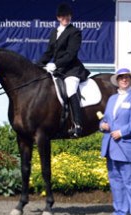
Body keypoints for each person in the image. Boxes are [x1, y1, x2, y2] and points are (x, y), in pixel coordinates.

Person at [100, 68, 131, 215]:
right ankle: (120, 211)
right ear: (117, 81)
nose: (124, 80)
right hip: (111, 147)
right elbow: (105, 119)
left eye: (126, 77)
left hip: (129, 146)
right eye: (121, 78)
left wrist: (122, 132)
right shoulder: (112, 99)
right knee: (116, 181)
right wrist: (103, 125)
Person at [37, 2, 90, 137]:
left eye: (68, 16)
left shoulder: (75, 32)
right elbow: (49, 52)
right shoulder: (54, 32)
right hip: (59, 69)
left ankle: (77, 124)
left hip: (72, 69)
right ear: (58, 18)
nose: (65, 18)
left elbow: (71, 54)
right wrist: (38, 65)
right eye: (62, 16)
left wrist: (56, 64)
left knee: (70, 89)